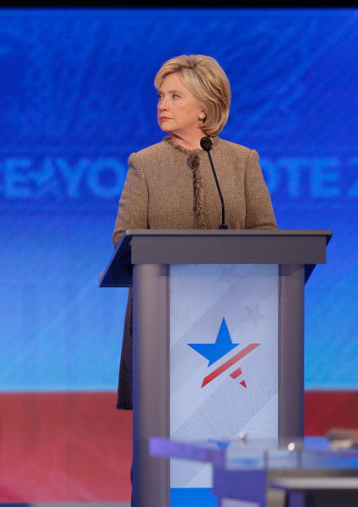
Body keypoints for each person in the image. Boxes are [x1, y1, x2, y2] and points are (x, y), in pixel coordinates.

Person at [112, 54, 277, 411]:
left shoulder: (242, 161)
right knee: (161, 449)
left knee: (230, 424)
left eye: (174, 96)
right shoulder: (144, 163)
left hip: (233, 321)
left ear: (204, 108)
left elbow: (266, 234)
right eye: (160, 96)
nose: (162, 105)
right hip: (163, 317)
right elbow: (124, 238)